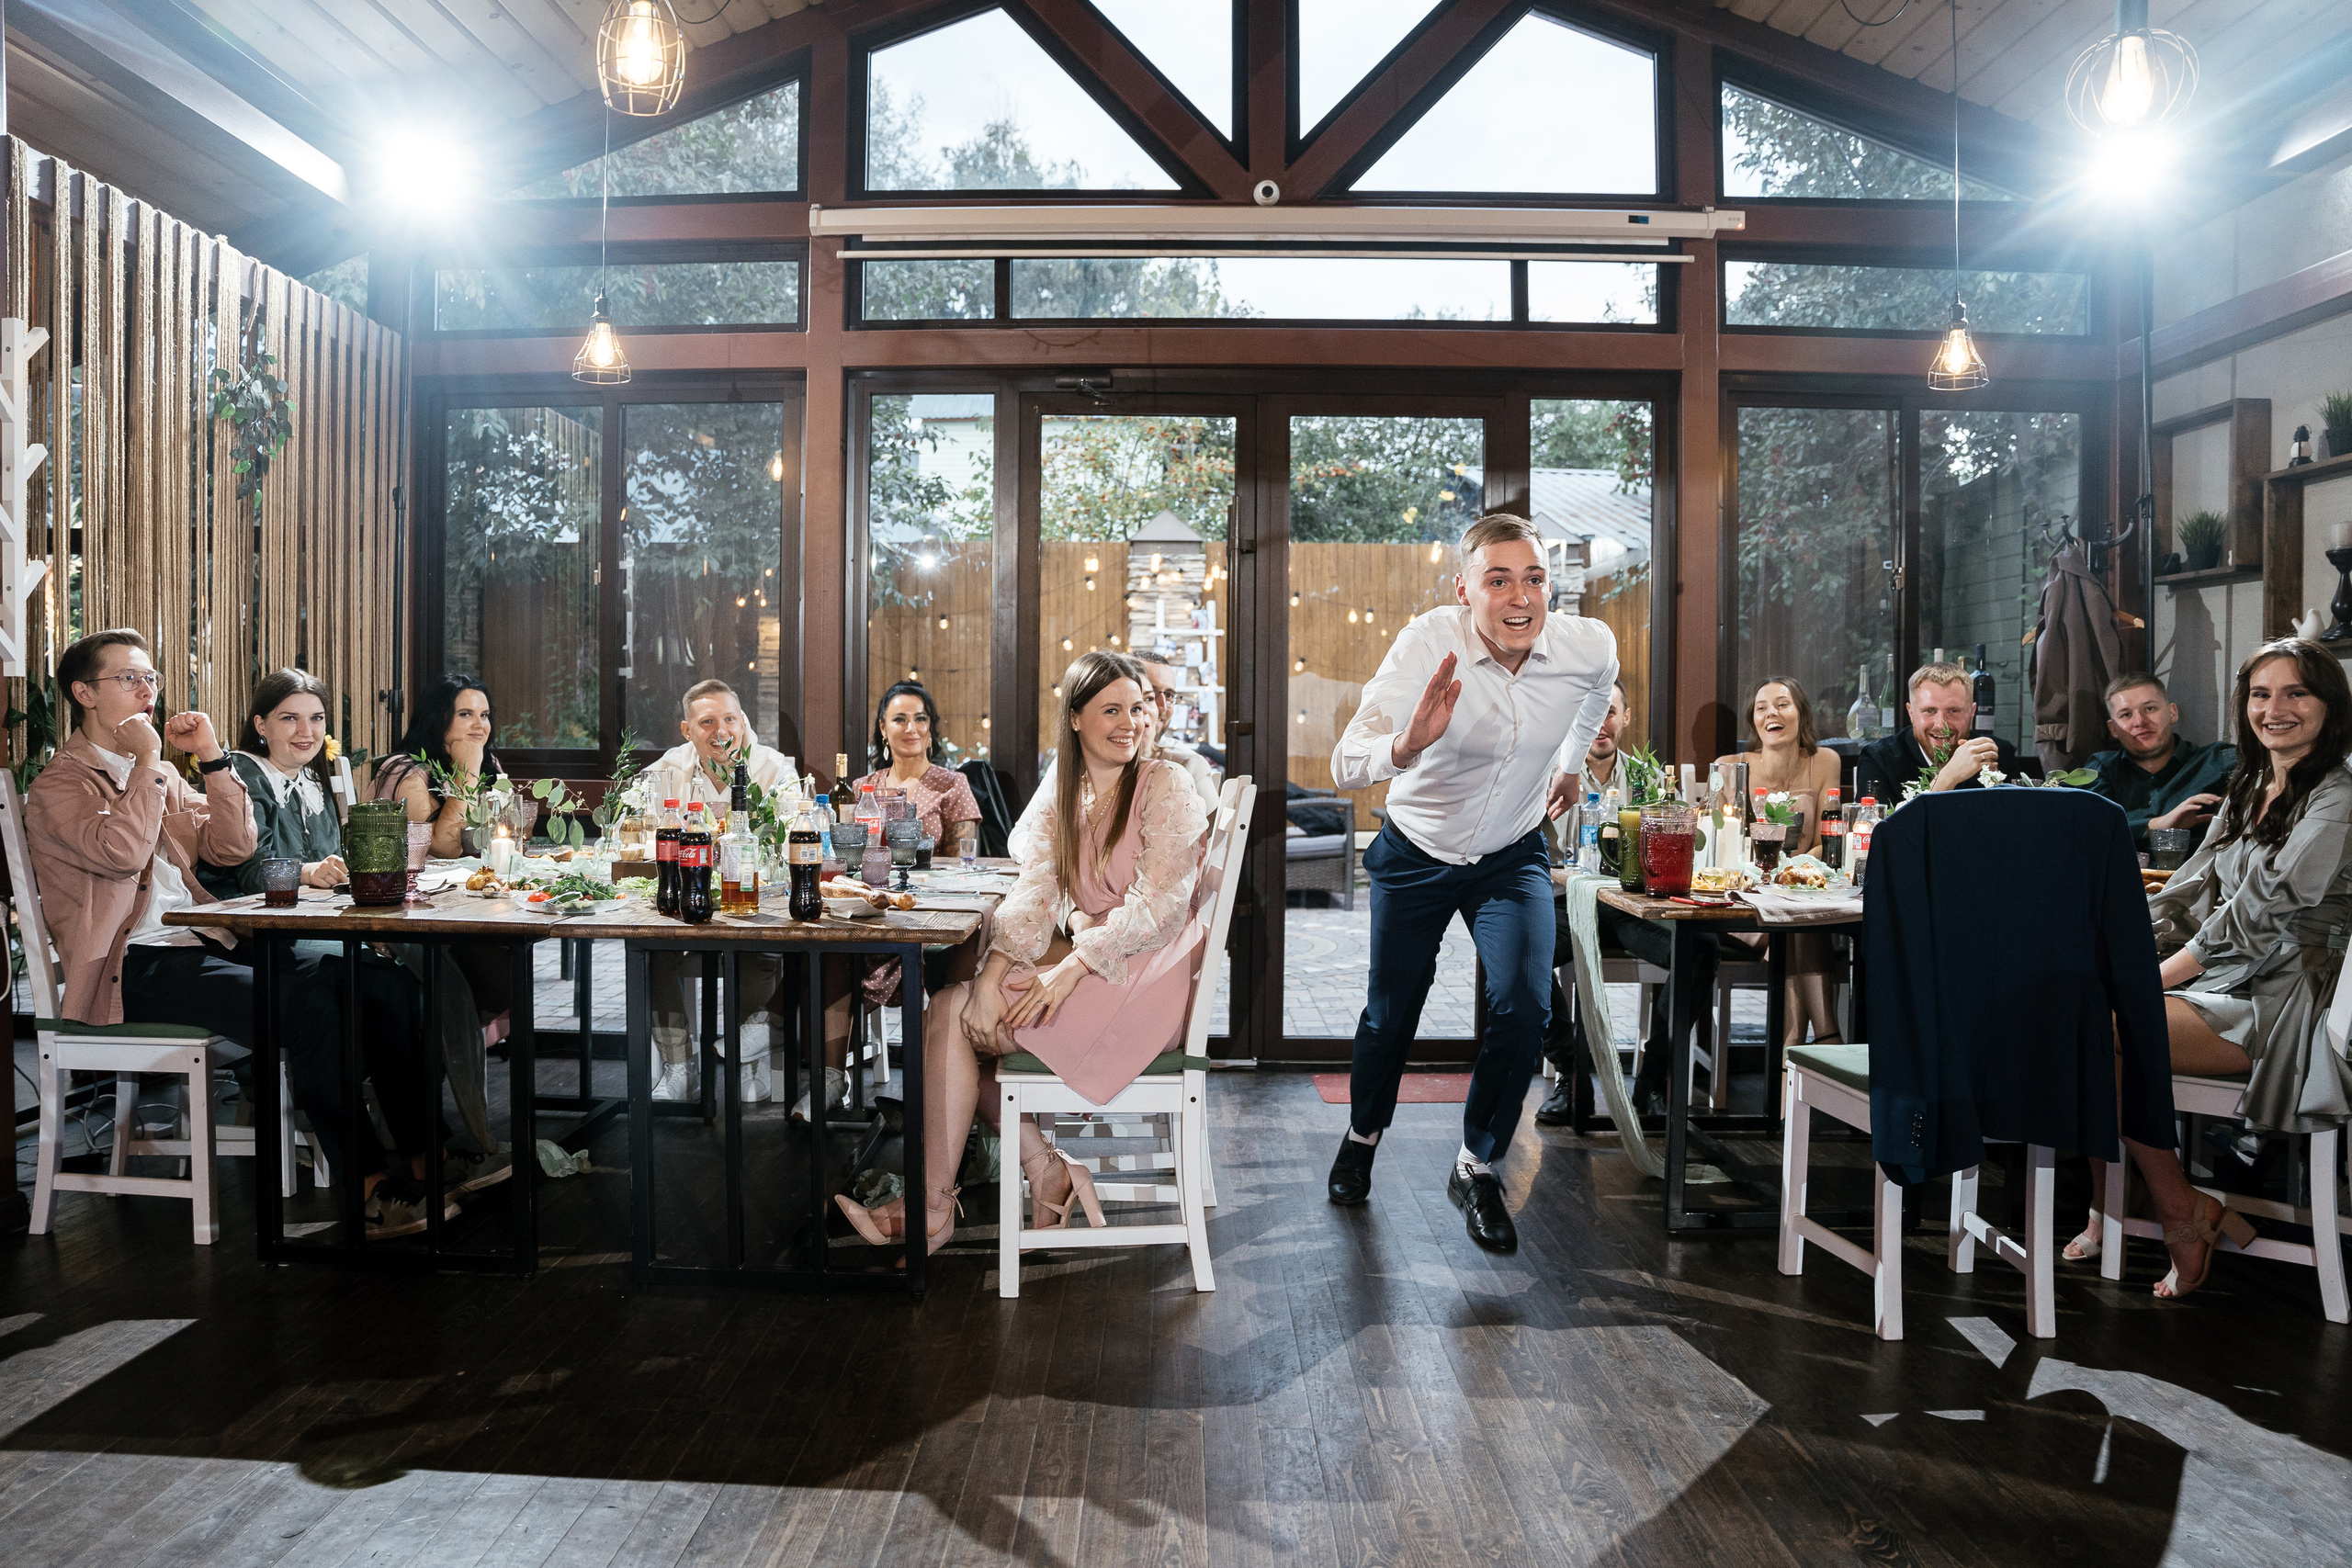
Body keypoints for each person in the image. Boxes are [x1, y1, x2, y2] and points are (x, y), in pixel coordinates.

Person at [28, 630, 447, 1239]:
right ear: (83, 692)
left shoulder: (164, 779)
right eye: (130, 678)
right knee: (307, 1003)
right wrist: (150, 760)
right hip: (133, 968)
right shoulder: (60, 784)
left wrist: (214, 760)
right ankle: (369, 1187)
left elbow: (231, 846)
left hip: (198, 942)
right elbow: (120, 853)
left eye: (152, 678)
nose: (148, 690)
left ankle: (427, 1156)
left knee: (376, 979)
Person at [835, 651, 1209, 1255]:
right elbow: (1034, 890)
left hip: (1143, 985)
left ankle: (941, 1206)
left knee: (951, 1020)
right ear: (1077, 720)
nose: (1131, 722)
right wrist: (994, 979)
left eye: (1137, 708)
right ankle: (1038, 1169)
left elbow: (1161, 908)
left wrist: (1070, 966)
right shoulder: (1071, 791)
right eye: (1112, 709)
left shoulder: (1164, 784)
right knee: (963, 1010)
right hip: (1103, 971)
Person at [1326, 513, 1617, 1254]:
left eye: (1534, 578)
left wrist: (1572, 760)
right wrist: (1406, 743)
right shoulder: (1429, 642)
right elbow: (1346, 761)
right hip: (1417, 850)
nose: (1520, 597)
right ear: (1466, 590)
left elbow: (1597, 689)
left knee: (1523, 1003)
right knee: (1391, 1014)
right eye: (1498, 580)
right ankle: (1362, 1135)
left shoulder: (1586, 644)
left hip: (1509, 851)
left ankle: (1475, 1165)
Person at [2075, 638, 2352, 1296]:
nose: (2274, 708)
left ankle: (2169, 1207)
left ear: (2329, 705)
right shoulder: (2250, 785)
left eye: (2295, 693)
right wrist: (2109, 941)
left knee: (2098, 1025)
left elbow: (2258, 913)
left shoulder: (2338, 797)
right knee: (2077, 1003)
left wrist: (2145, 977)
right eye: (2261, 694)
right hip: (2227, 975)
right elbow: (2190, 889)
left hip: (2289, 994)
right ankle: (2174, 1206)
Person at [811, 681, 983, 1122]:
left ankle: (929, 1086)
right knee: (832, 949)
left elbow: (967, 859)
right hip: (870, 904)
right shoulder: (862, 786)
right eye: (900, 719)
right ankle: (831, 1080)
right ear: (882, 730)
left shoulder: (952, 783)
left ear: (931, 728)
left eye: (920, 718)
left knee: (947, 955)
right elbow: (842, 852)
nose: (911, 727)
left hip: (930, 909)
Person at [644, 680, 800, 1103]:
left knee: (755, 950)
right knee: (649, 950)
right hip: (685, 899)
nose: (721, 731)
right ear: (686, 730)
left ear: (743, 721)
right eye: (707, 722)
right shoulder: (666, 771)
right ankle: (680, 1068)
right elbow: (637, 827)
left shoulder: (773, 767)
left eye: (730, 719)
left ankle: (750, 1066)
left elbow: (796, 836)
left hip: (750, 900)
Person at [371, 673, 515, 1028]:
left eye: (484, 714)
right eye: (466, 714)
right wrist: (466, 772)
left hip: (464, 910)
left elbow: (507, 833)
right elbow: (444, 848)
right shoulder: (406, 769)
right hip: (409, 915)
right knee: (504, 971)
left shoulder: (488, 765)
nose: (480, 725)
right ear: (438, 718)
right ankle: (446, 1038)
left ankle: (456, 1034)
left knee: (515, 955)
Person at [1715, 675, 1846, 1051]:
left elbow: (1827, 841)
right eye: (1761, 708)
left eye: (1782, 704)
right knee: (1798, 924)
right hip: (1741, 899)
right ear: (1754, 722)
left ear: (1800, 713)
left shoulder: (1825, 762)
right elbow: (1721, 844)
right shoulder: (1731, 765)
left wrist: (1794, 874)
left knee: (1798, 919)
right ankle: (1823, 1038)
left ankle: (1792, 1050)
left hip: (1796, 890)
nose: (1771, 712)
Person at [195, 668, 347, 899]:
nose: (307, 731)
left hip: (311, 914)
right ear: (261, 725)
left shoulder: (313, 783)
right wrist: (308, 872)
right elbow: (251, 876)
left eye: (316, 718)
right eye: (289, 718)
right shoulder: (238, 774)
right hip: (245, 920)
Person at [2084, 671, 2236, 852]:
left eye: (2150, 709)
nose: (2140, 721)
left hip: (2197, 879)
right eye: (2126, 715)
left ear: (2172, 713)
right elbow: (2092, 826)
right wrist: (2157, 824)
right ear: (2113, 729)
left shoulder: (2219, 761)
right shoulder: (2100, 769)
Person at [1856, 659, 2020, 800]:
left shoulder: (1998, 754)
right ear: (1911, 712)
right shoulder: (1879, 759)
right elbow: (1881, 834)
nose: (1941, 725)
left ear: (1972, 713)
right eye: (1930, 711)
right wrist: (1949, 776)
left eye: (1954, 711)